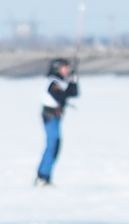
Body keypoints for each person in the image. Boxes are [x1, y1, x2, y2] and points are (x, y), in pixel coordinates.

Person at [36, 56, 79, 187]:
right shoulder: (53, 83)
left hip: (56, 117)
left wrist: (73, 81)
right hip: (50, 117)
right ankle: (42, 176)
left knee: (56, 146)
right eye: (65, 67)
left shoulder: (60, 82)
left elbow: (73, 93)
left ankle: (46, 176)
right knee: (52, 146)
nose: (67, 70)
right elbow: (61, 97)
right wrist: (69, 84)